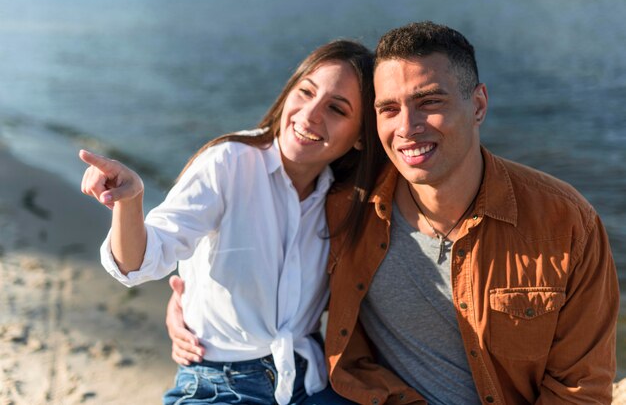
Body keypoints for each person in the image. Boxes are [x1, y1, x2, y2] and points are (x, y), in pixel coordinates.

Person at [167, 22, 619, 404]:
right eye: (388, 109)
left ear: (478, 104)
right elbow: (274, 265)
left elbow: (581, 388)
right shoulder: (345, 206)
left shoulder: (565, 223)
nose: (407, 128)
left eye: (431, 102)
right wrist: (192, 306)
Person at [79, 39, 386, 405]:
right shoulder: (228, 163)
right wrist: (130, 202)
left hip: (311, 380)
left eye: (336, 108)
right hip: (220, 384)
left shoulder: (350, 200)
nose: (310, 114)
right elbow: (139, 262)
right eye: (305, 91)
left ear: (361, 138)